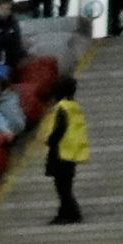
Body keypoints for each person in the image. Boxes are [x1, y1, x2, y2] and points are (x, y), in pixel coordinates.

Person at [41, 86, 88, 225]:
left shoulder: (61, 108)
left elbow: (59, 129)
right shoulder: (73, 106)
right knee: (66, 186)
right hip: (71, 152)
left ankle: (72, 213)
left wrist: (50, 140)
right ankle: (65, 212)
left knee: (62, 187)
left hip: (60, 152)